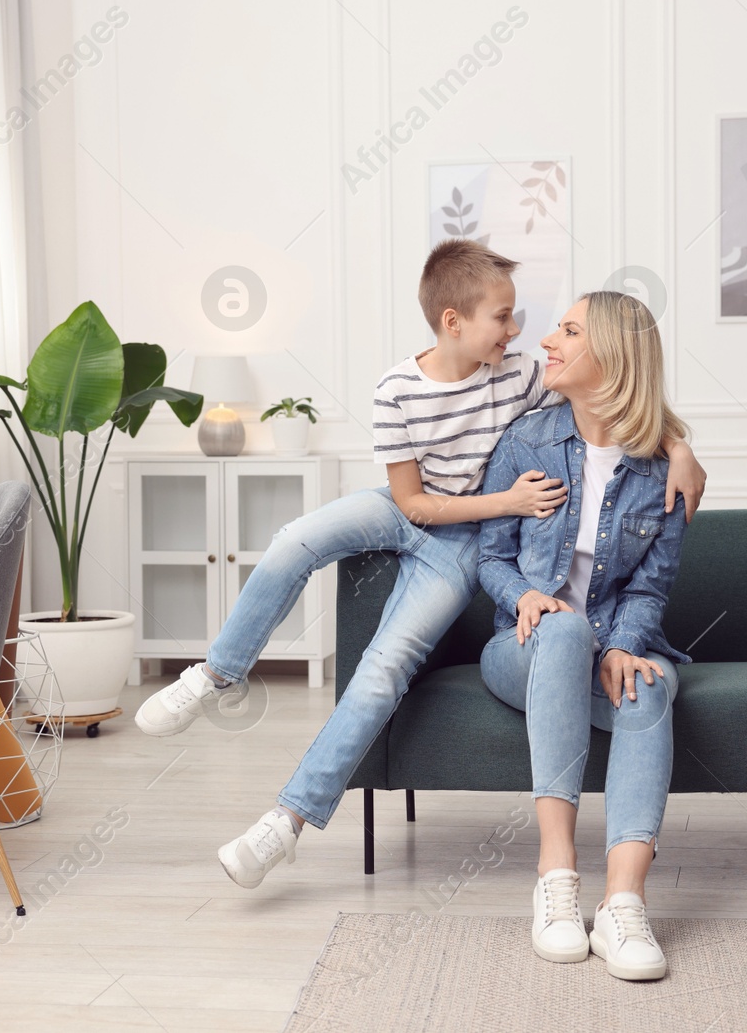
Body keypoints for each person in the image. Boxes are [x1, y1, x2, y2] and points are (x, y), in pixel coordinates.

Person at [135, 240, 707, 889]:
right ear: (452, 321)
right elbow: (410, 501)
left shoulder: (522, 375)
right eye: (504, 317)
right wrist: (511, 500)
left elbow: (616, 396)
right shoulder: (397, 388)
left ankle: (286, 819)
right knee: (294, 537)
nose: (522, 332)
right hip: (410, 507)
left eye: (533, 321)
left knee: (383, 668)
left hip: (460, 543)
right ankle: (216, 672)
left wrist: (677, 444)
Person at [476, 290, 691, 981]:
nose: (547, 341)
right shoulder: (526, 440)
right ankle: (556, 878)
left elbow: (650, 588)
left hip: (613, 645)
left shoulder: (664, 468)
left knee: (648, 687)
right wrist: (528, 597)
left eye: (569, 331)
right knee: (566, 634)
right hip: (524, 647)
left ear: (613, 356)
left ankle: (624, 902)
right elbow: (490, 556)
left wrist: (627, 644)